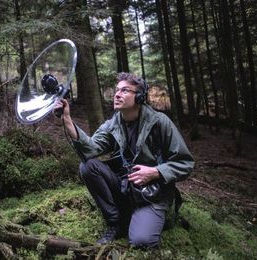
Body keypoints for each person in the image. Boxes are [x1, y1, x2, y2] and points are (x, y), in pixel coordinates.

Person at [54, 72, 194, 248]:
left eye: (125, 90)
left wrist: (155, 172)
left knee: (141, 241)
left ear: (140, 97)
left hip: (153, 194)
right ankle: (115, 222)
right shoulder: (114, 123)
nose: (117, 94)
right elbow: (90, 149)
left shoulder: (160, 122)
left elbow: (186, 163)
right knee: (88, 167)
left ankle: (149, 218)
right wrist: (66, 118)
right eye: (117, 90)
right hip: (126, 187)